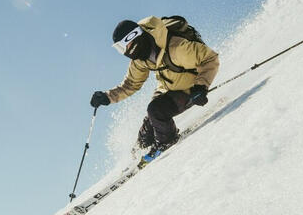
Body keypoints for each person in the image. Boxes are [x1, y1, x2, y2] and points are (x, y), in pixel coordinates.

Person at [90, 16, 220, 152]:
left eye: (123, 46)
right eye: (119, 49)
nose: (124, 52)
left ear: (133, 37)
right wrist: (107, 97)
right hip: (167, 89)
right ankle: (140, 153)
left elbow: (210, 58)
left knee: (156, 110)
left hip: (190, 89)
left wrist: (201, 86)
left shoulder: (176, 48)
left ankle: (167, 143)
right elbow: (131, 84)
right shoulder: (140, 59)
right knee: (148, 128)